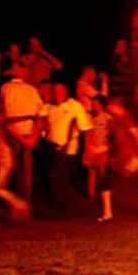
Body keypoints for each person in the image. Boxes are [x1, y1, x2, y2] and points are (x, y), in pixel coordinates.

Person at [41, 82, 93, 213]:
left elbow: (85, 127)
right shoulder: (48, 106)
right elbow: (42, 122)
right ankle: (57, 206)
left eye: (61, 90)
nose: (58, 93)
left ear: (66, 92)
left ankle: (65, 207)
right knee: (52, 178)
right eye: (55, 91)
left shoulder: (74, 106)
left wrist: (88, 148)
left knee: (61, 177)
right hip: (50, 147)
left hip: (68, 148)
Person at [0, 60, 43, 202]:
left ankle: (17, 198)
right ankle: (22, 197)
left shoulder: (7, 88)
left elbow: (6, 111)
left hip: (15, 131)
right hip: (26, 131)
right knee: (24, 167)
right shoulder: (30, 89)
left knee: (14, 165)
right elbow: (40, 113)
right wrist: (33, 136)